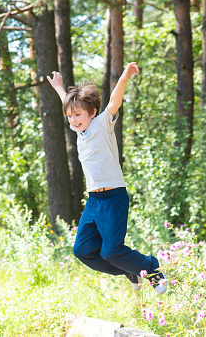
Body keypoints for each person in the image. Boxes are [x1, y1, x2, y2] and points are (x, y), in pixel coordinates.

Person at [47, 62, 166, 294]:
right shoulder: (79, 130)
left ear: (92, 113)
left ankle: (151, 267)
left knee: (111, 251)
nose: (73, 120)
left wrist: (125, 76)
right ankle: (131, 270)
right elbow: (69, 106)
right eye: (70, 116)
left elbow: (114, 102)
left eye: (78, 115)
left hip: (113, 198)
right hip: (93, 202)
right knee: (82, 250)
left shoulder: (102, 124)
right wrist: (59, 88)